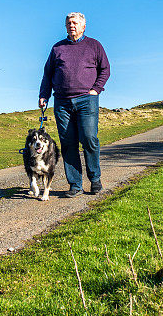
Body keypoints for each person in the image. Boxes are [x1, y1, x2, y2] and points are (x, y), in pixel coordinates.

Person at [39, 12, 110, 197]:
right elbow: (47, 74)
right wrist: (44, 95)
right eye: (69, 23)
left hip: (87, 100)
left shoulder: (94, 45)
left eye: (75, 22)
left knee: (89, 138)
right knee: (68, 143)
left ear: (83, 26)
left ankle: (95, 179)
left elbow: (105, 69)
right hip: (62, 102)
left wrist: (96, 89)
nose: (72, 25)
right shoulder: (57, 48)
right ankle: (75, 185)